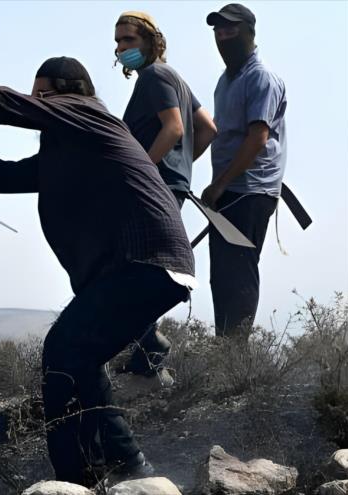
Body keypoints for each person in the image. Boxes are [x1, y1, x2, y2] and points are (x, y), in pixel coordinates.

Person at [0, 45, 195, 484]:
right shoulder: (73, 149)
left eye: (43, 96)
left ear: (68, 95)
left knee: (65, 351)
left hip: (144, 261)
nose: (39, 107)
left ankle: (97, 474)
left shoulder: (89, 114)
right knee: (78, 359)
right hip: (140, 267)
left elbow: (12, 104)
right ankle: (108, 470)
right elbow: (16, 173)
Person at [113, 11, 217, 376]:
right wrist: (181, 168)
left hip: (150, 188)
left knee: (130, 264)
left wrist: (147, 171)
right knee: (145, 263)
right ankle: (146, 351)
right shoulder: (174, 78)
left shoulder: (155, 76)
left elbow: (173, 128)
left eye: (129, 40)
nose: (121, 48)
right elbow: (206, 129)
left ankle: (149, 349)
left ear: (150, 41)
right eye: (118, 41)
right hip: (169, 186)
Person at [203, 3, 287, 338]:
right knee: (222, 273)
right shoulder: (226, 81)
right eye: (218, 31)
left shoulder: (260, 78)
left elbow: (258, 138)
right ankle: (226, 348)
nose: (223, 36)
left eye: (230, 29)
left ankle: (235, 357)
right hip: (229, 190)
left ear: (249, 32)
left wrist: (219, 185)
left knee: (238, 271)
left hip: (249, 190)